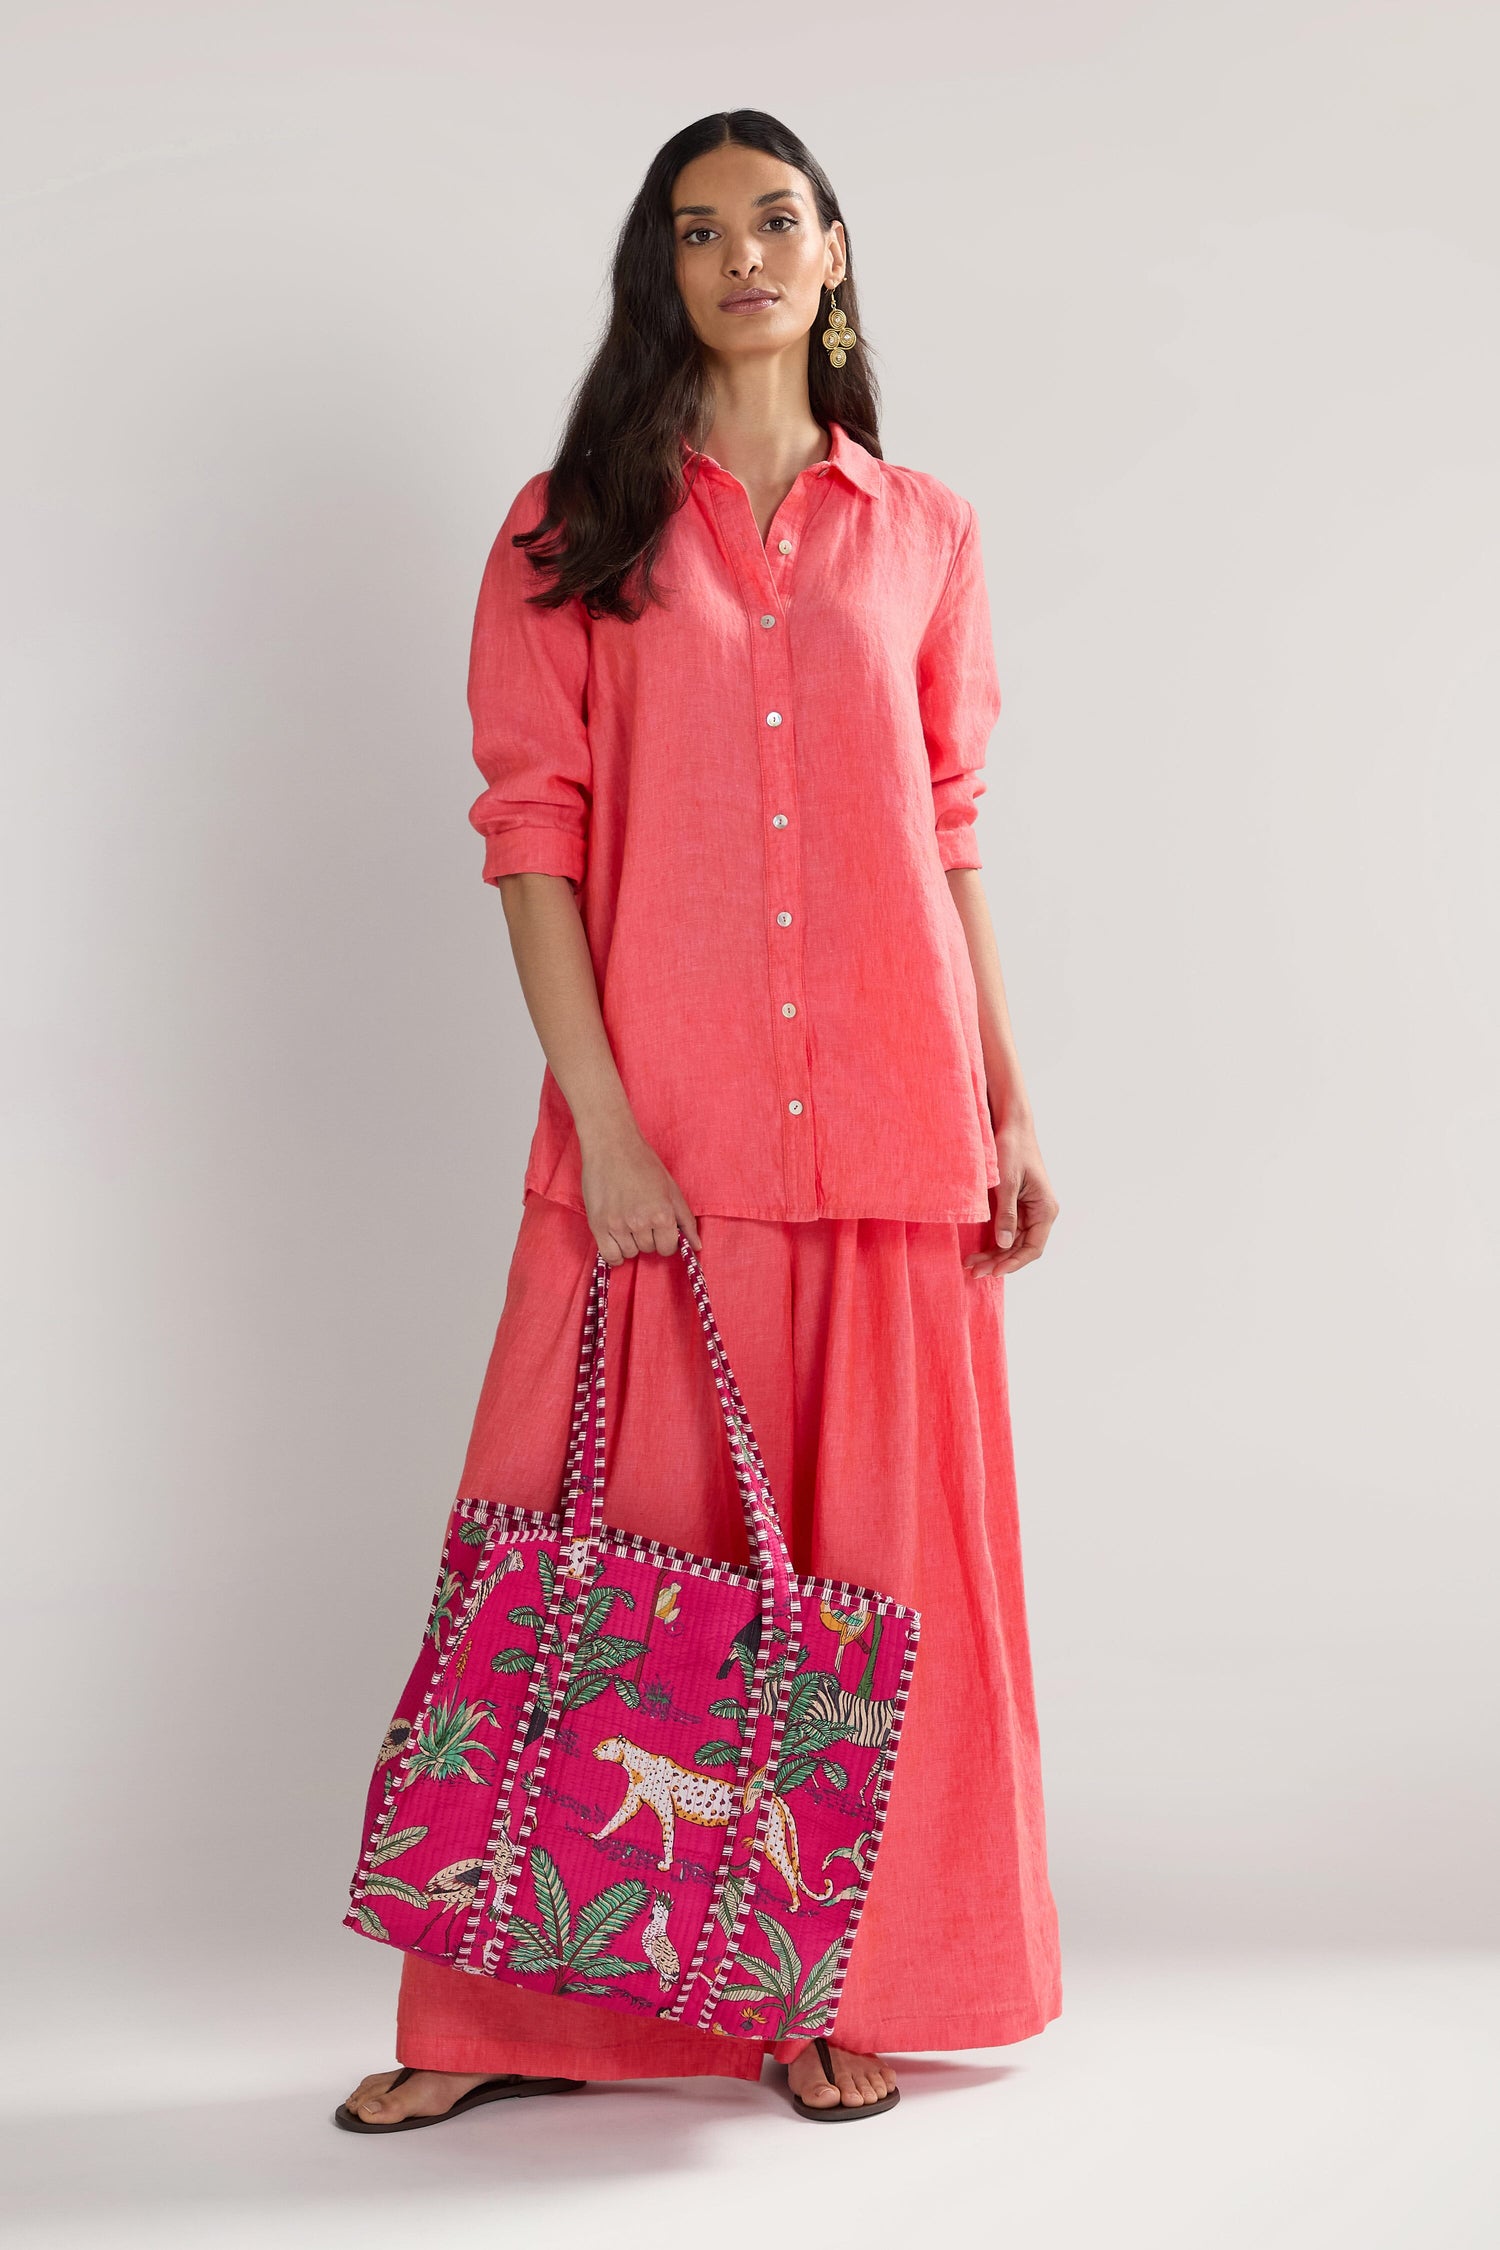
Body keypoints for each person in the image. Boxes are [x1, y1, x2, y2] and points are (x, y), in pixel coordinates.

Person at [338, 106, 1061, 2133]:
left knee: (867, 1583)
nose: (740, 254)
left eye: (775, 220)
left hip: (895, 1128)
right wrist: (605, 1117)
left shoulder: (921, 530)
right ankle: (506, 2020)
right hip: (661, 1135)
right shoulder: (570, 527)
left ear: (835, 260)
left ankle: (829, 1989)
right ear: (662, 277)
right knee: (592, 1565)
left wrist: (1007, 1095)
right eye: (696, 231)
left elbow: (949, 831)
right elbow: (532, 837)